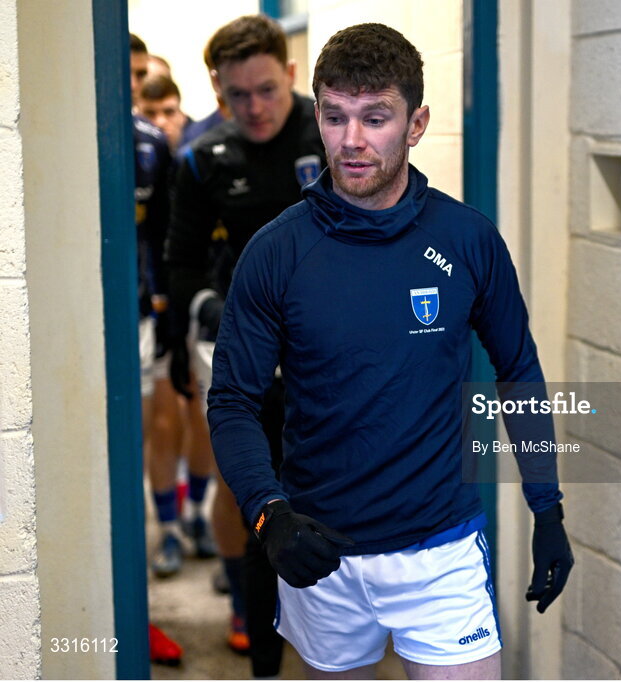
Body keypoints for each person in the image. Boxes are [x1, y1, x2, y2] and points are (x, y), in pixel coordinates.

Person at [206, 23, 573, 679]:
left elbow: (518, 371)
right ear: (318, 114)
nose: (351, 141)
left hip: (440, 551)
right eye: (336, 116)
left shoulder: (467, 239)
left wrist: (547, 507)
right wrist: (268, 513)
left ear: (416, 122)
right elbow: (233, 399)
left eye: (375, 118)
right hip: (321, 550)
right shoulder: (276, 253)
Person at [164, 14, 325, 670]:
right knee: (250, 494)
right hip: (243, 347)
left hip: (330, 352)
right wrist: (205, 310)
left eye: (266, 88)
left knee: (326, 487)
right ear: (217, 89)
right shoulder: (204, 158)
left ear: (289, 73)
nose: (254, 107)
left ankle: (323, 629)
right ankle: (250, 622)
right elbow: (182, 262)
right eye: (238, 95)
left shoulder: (336, 130)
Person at [129, 31, 184, 668]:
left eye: (141, 74)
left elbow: (169, 240)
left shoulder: (151, 149)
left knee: (137, 454)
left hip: (141, 323)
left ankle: (137, 612)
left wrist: (167, 322)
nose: (136, 86)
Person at [138, 74, 194, 154]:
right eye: (150, 113)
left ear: (183, 117)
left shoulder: (199, 155)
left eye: (169, 112)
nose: (160, 123)